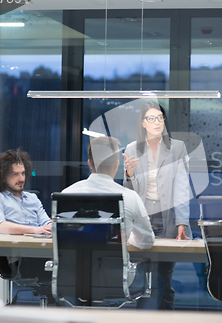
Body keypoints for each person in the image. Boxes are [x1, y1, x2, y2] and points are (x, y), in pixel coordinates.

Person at [122, 101, 191, 310]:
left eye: (160, 117)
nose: (156, 122)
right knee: (142, 276)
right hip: (142, 217)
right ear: (143, 123)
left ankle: (164, 317)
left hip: (167, 217)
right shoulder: (132, 148)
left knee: (164, 276)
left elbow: (182, 187)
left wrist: (182, 222)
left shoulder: (177, 147)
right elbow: (128, 192)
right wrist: (129, 174)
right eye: (151, 118)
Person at [62, 136, 155, 250]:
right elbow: (147, 241)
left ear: (90, 164)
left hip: (71, 267)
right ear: (116, 164)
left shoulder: (67, 194)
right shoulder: (130, 197)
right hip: (114, 266)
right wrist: (127, 236)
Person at [0, 149, 51, 234]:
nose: (22, 179)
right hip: (13, 245)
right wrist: (35, 230)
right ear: (2, 177)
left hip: (40, 244)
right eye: (15, 174)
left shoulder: (32, 198)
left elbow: (46, 222)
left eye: (23, 173)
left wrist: (51, 226)